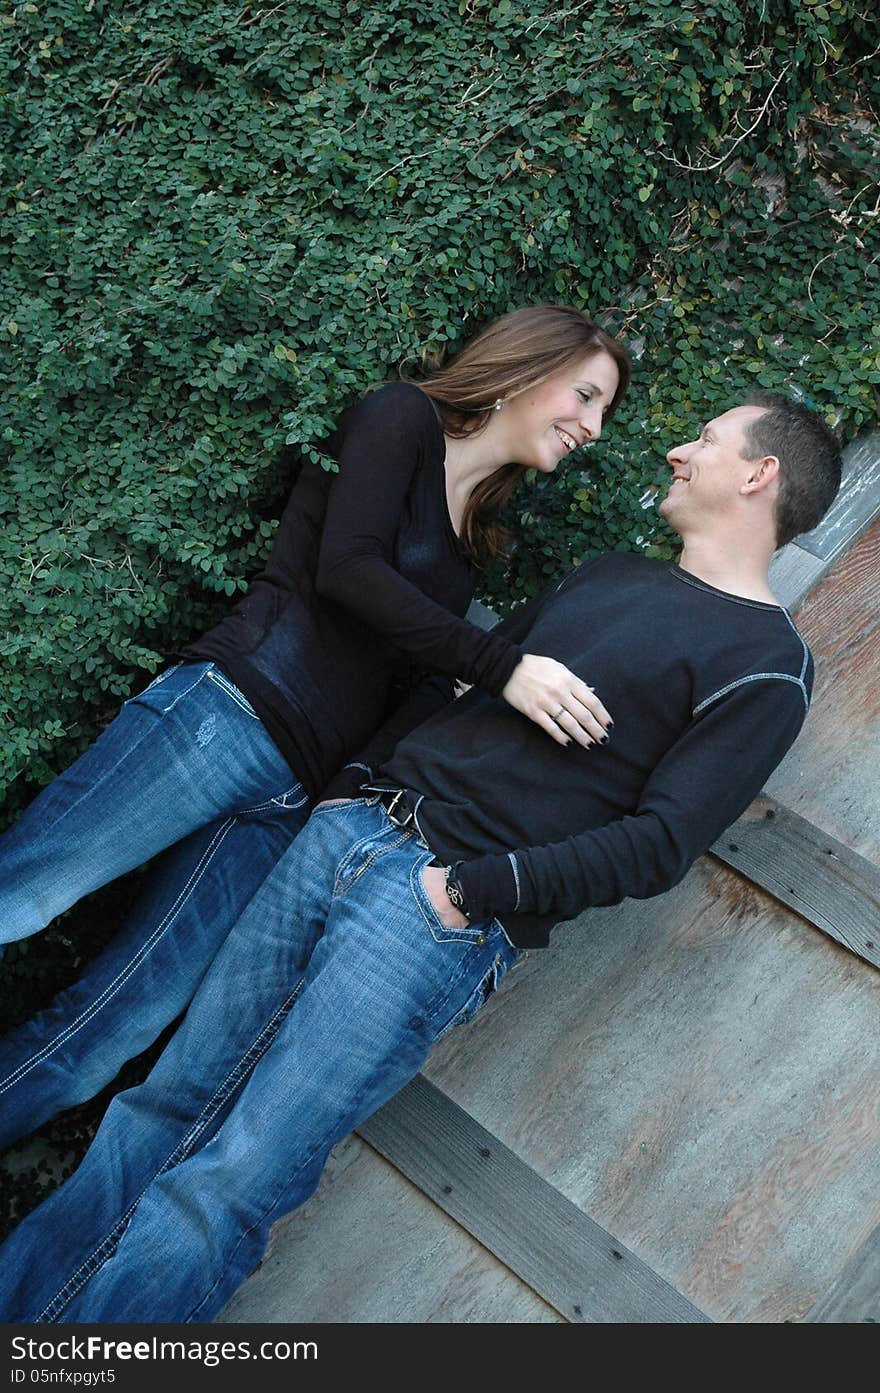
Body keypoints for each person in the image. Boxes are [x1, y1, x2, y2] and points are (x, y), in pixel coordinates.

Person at [0, 392, 842, 1324]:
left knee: (232, 1181)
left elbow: (660, 844)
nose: (681, 451)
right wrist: (348, 793)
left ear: (759, 475)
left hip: (432, 915)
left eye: (709, 440)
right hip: (345, 837)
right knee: (160, 1107)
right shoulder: (606, 575)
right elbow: (458, 685)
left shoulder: (768, 664)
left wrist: (468, 892)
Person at [0, 305, 628, 1145]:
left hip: (288, 799)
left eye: (603, 412)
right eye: (585, 395)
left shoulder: (472, 536)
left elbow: (393, 679)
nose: (591, 426)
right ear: (525, 365)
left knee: (120, 1023)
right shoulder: (399, 417)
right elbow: (349, 571)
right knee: (25, 894)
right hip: (225, 717)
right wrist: (501, 667)